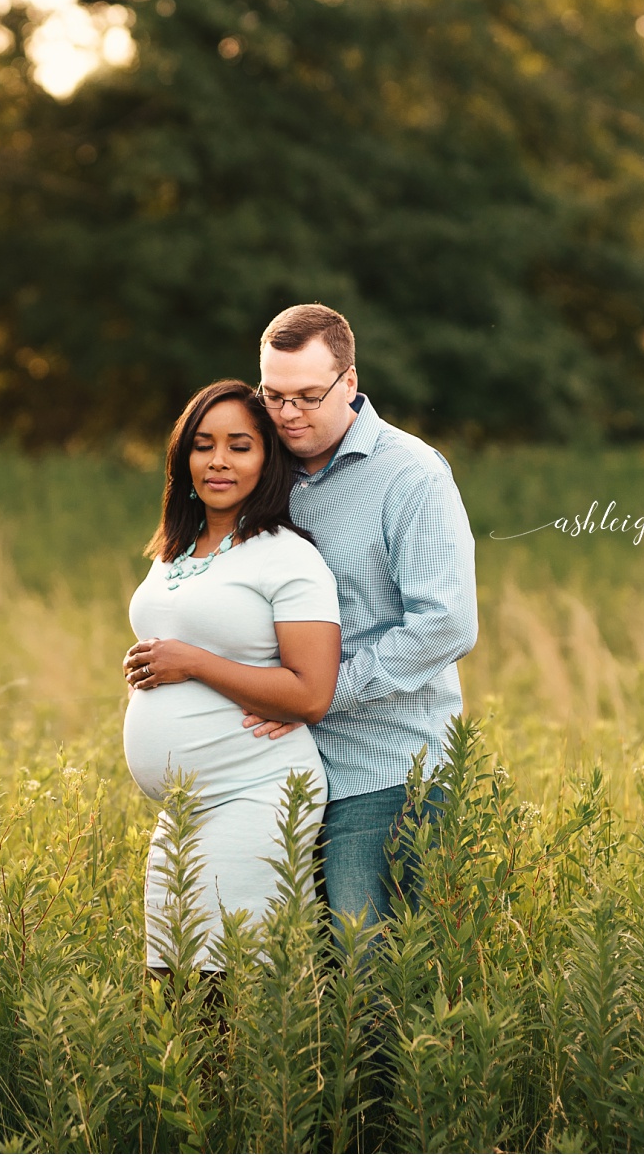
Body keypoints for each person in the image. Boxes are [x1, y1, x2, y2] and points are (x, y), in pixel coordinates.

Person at [244, 303, 478, 934]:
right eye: (274, 396)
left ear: (349, 383)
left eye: (307, 397)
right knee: (294, 978)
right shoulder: (258, 469)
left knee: (367, 980)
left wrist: (316, 695)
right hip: (276, 773)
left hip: (384, 773)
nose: (288, 415)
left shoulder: (412, 475)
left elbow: (448, 624)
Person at [120, 379, 343, 972]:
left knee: (225, 981)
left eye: (240, 446)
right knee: (169, 978)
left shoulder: (287, 556)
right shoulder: (177, 549)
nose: (218, 460)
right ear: (182, 457)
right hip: (184, 806)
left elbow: (312, 692)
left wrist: (189, 663)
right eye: (202, 444)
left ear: (267, 458)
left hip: (257, 789)